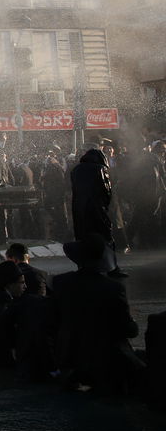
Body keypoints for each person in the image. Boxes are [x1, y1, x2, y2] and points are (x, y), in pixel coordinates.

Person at [52, 234, 145, 393]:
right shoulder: (114, 288)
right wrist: (133, 323)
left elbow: (54, 319)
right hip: (105, 359)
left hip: (70, 357)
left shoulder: (60, 282)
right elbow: (128, 329)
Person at [70, 147, 124, 277]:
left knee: (83, 238)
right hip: (97, 209)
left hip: (79, 210)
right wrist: (106, 206)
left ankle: (84, 267)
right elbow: (106, 191)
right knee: (106, 237)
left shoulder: (76, 170)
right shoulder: (100, 169)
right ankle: (112, 268)